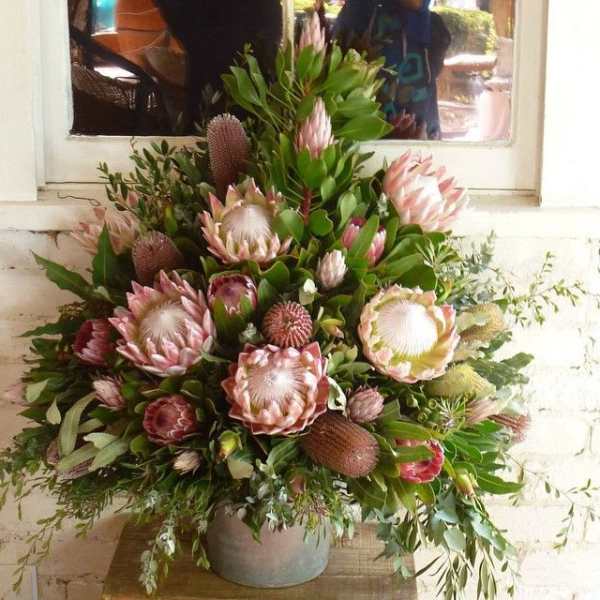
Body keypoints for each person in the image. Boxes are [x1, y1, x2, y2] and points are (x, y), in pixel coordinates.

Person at [335, 0, 450, 139]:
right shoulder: (358, 14)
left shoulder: (433, 26)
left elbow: (433, 71)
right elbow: (340, 78)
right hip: (369, 138)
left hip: (423, 135)